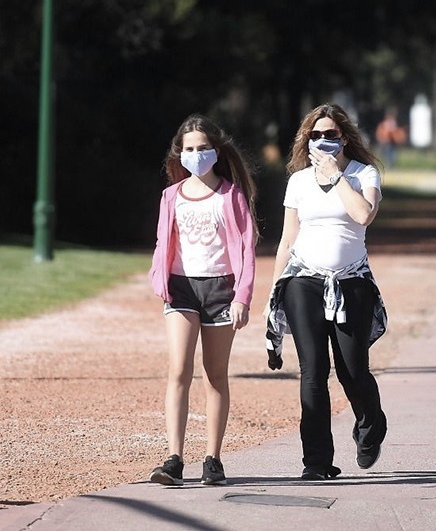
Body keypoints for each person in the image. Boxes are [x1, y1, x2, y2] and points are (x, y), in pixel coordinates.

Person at [264, 103, 389, 480]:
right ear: (307, 140)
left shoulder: (363, 174)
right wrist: (274, 295)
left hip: (351, 282)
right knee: (313, 372)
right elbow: (287, 239)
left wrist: (337, 178)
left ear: (344, 137)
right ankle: (316, 462)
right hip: (303, 280)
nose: (322, 141)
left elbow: (364, 214)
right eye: (315, 135)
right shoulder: (298, 181)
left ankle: (371, 427)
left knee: (353, 371)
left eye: (330, 135)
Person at [147, 114, 258, 486]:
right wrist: (157, 277)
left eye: (203, 148)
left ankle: (213, 459)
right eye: (189, 149)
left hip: (221, 290)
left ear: (216, 151)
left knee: (215, 374)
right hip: (181, 288)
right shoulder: (170, 196)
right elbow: (164, 242)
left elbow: (246, 249)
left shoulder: (231, 195)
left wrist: (242, 297)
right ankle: (174, 458)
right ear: (180, 154)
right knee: (179, 370)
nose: (196, 155)